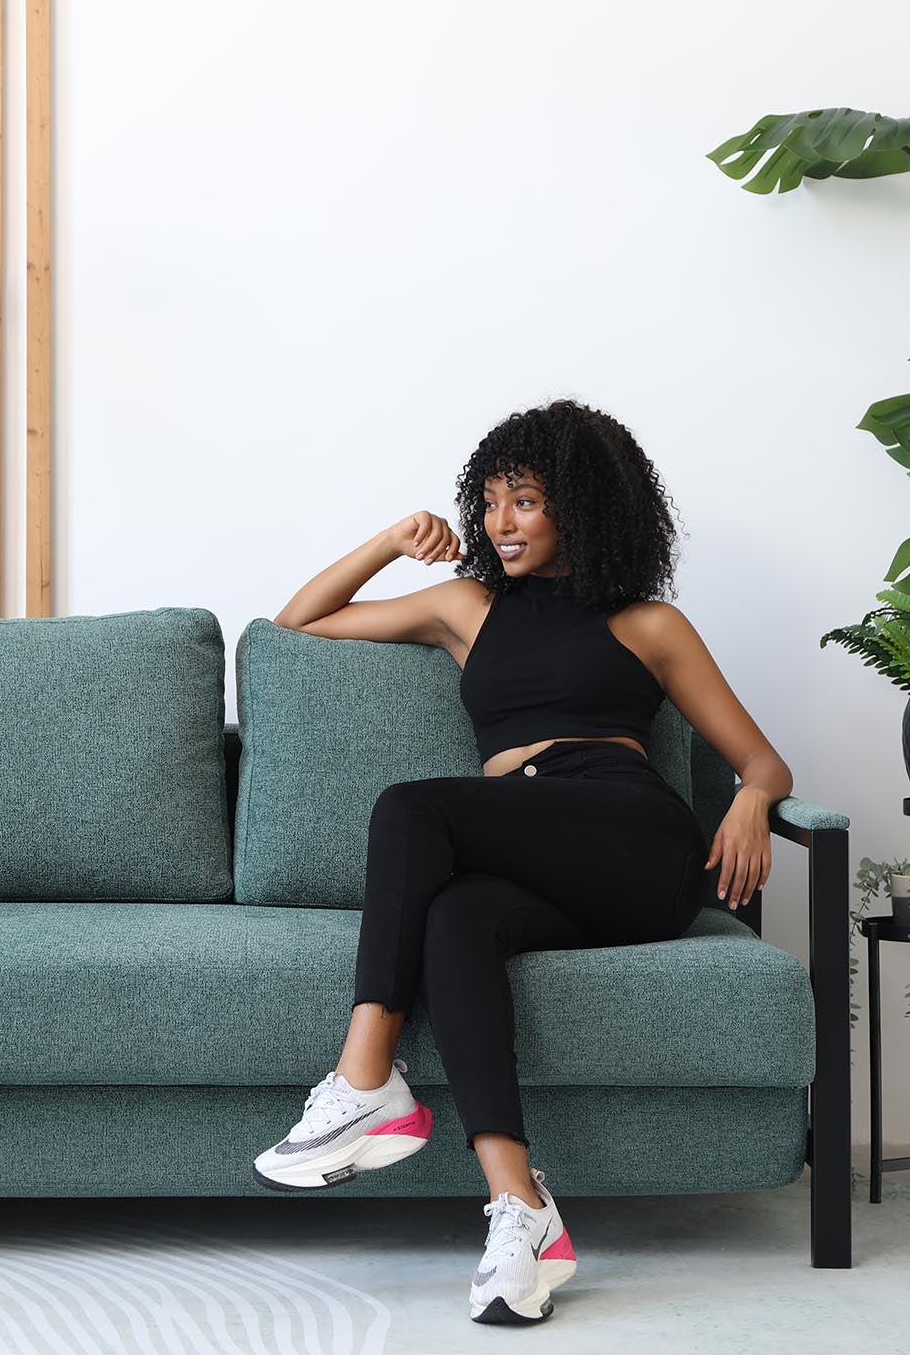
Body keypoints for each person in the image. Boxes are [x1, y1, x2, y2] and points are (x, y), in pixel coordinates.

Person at [250, 400, 793, 1326]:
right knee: (456, 919)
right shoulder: (465, 609)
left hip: (632, 845)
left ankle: (367, 1079)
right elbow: (292, 628)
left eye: (527, 501)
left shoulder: (649, 623)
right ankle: (521, 1209)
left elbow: (762, 759)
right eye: (491, 501)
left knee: (413, 806)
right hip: (536, 852)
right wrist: (388, 540)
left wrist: (750, 799)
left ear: (581, 509)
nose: (501, 522)